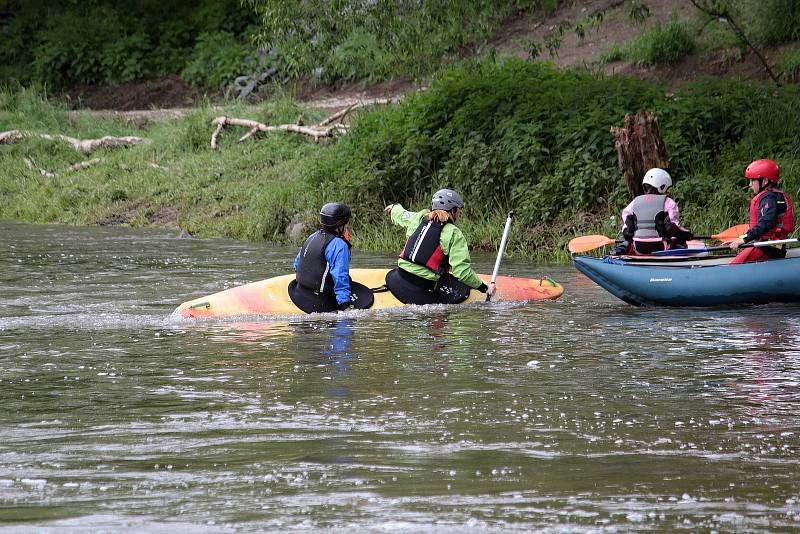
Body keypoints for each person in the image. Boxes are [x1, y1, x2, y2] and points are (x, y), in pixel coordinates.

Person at [383, 188, 496, 305]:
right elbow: (461, 272)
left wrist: (393, 208)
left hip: (399, 278)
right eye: (458, 211)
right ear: (453, 211)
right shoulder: (454, 233)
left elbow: (402, 214)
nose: (459, 215)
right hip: (422, 287)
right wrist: (484, 287)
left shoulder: (419, 217)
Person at [724, 159, 794, 265]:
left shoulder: (768, 198)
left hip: (767, 248)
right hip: (771, 246)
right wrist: (740, 238)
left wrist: (744, 239)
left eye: (753, 180)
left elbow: (766, 223)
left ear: (765, 181)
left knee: (732, 267)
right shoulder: (773, 195)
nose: (750, 184)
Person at [611, 168, 693, 256]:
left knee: (628, 239)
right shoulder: (668, 202)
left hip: (639, 248)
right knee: (679, 238)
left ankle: (624, 247)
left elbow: (626, 230)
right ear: (662, 187)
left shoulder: (635, 202)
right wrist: (687, 234)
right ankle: (678, 248)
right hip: (661, 248)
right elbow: (672, 228)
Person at [292, 202, 355, 312]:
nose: (347, 225)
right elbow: (340, 277)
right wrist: (345, 306)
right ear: (340, 225)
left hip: (299, 292)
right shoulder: (339, 245)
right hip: (319, 301)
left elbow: (297, 264)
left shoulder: (312, 236)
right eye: (346, 222)